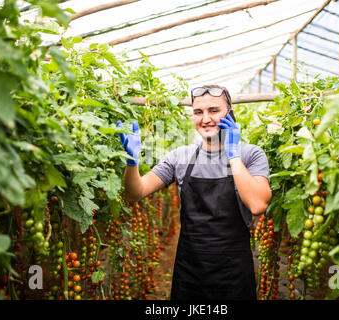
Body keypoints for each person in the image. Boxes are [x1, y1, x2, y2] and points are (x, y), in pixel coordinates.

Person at [117, 84, 272, 300]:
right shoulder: (180, 157)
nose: (206, 118)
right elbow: (135, 193)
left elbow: (257, 205)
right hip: (190, 271)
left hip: (233, 272)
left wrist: (233, 155)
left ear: (231, 114)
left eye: (214, 111)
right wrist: (132, 163)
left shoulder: (251, 155)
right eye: (198, 112)